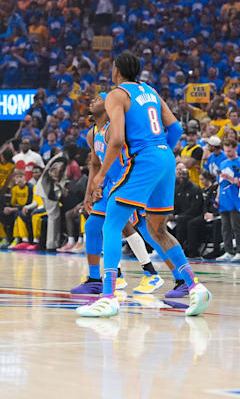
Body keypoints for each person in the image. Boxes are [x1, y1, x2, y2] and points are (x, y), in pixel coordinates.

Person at [76, 52, 210, 318]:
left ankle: (108, 296)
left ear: (116, 70)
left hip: (146, 158)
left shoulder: (116, 94)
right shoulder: (150, 91)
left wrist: (101, 174)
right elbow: (176, 130)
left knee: (111, 223)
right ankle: (195, 285)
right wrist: (162, 153)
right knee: (157, 228)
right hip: (165, 157)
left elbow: (116, 140)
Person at [73, 93, 173, 297]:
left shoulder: (115, 130)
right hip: (108, 183)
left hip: (126, 181)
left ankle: (160, 274)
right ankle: (96, 279)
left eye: (98, 98)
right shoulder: (92, 133)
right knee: (95, 226)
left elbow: (127, 157)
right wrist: (90, 191)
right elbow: (95, 164)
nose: (93, 100)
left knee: (143, 229)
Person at [215, 139, 240, 261]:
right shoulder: (222, 163)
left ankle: (239, 250)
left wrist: (229, 177)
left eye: (230, 150)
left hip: (235, 197)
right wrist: (217, 197)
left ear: (235, 148)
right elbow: (220, 183)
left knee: (236, 226)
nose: (228, 153)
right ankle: (228, 251)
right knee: (225, 227)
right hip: (224, 197)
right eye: (226, 150)